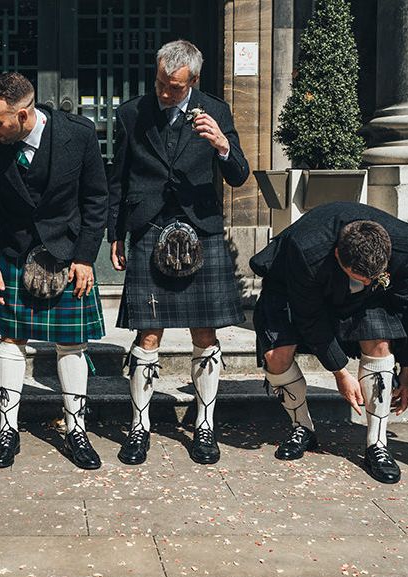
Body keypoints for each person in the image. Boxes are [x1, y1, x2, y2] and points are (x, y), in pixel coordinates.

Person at [108, 40, 249, 466]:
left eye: (174, 87)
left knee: (205, 334)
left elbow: (239, 175)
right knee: (147, 334)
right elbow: (119, 177)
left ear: (194, 81)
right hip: (148, 227)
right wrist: (115, 233)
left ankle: (204, 426)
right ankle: (139, 428)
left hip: (200, 230)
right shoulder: (133, 112)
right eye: (161, 83)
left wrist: (223, 145)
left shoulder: (216, 111)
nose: (165, 93)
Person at [0, 72, 108, 470]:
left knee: (72, 342)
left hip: (67, 253)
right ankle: (7, 429)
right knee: (10, 340)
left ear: (24, 116)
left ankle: (76, 428)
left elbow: (96, 200)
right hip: (12, 251)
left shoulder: (77, 134)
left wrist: (84, 257)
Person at [251, 202, 408, 484]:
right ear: (337, 254)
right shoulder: (305, 248)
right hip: (292, 284)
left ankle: (377, 443)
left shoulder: (404, 245)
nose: (369, 280)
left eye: (375, 277)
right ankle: (303, 428)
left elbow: (407, 306)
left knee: (380, 342)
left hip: (365, 298)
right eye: (361, 277)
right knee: (276, 354)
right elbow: (310, 318)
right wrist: (340, 372)